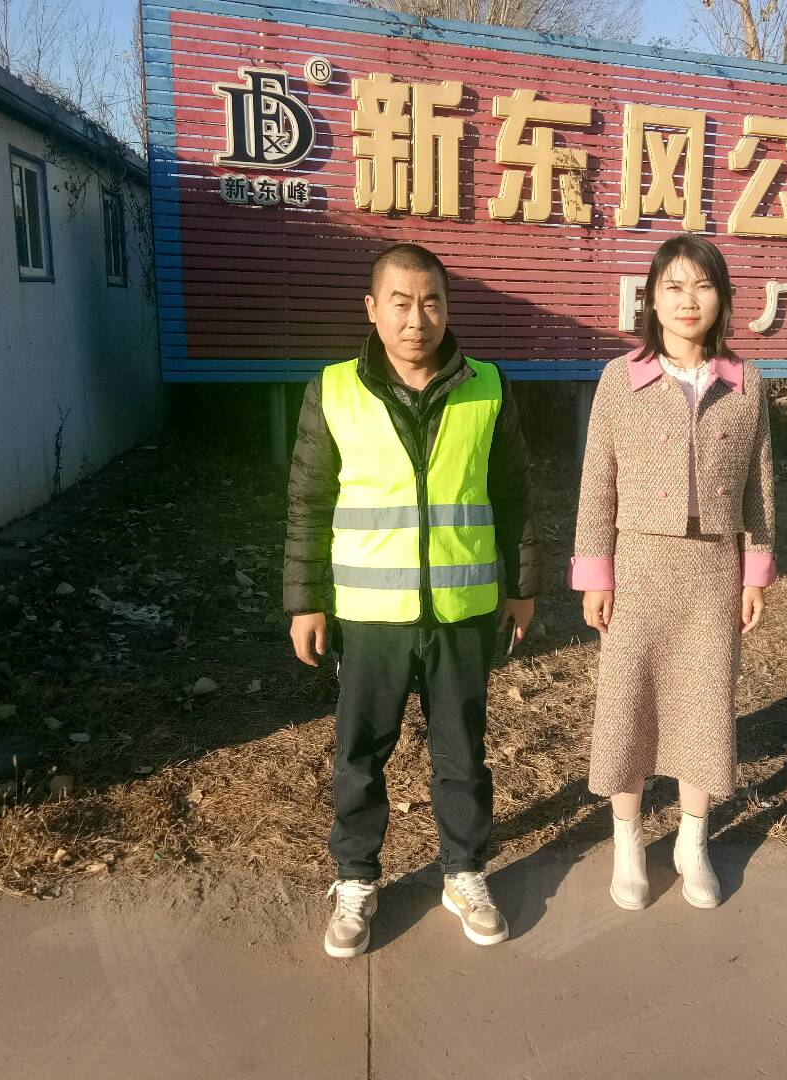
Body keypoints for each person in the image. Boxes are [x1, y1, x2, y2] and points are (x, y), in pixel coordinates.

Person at [284, 243, 544, 957]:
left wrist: (522, 587)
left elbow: (514, 492)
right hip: (370, 615)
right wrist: (306, 601)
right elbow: (309, 502)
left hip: (463, 611)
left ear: (447, 308)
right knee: (360, 753)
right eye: (400, 303)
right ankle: (355, 878)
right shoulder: (335, 390)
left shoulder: (487, 386)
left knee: (463, 751)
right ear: (372, 309)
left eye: (430, 302)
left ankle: (464, 871)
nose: (416, 319)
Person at [571, 234, 776, 911]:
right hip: (639, 563)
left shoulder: (744, 383)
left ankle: (693, 839)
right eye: (674, 287)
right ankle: (628, 842)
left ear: (722, 299)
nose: (689, 301)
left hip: (713, 568)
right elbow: (596, 483)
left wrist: (754, 571)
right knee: (627, 701)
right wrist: (595, 573)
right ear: (652, 301)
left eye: (703, 286)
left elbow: (761, 486)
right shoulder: (621, 379)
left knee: (704, 704)